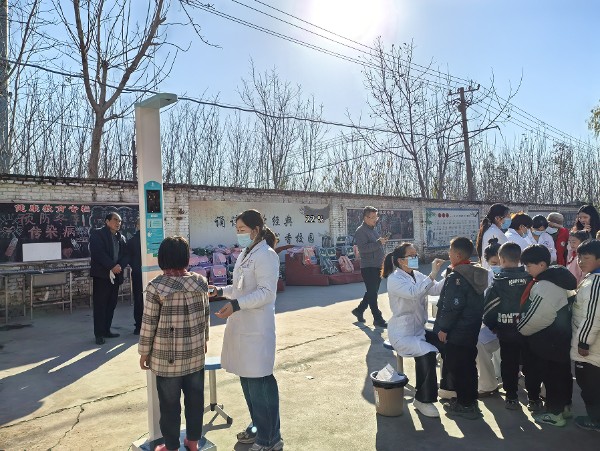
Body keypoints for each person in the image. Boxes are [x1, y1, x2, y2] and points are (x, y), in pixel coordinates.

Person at [212, 209, 283, 451]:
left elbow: (266, 293)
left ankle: (270, 439)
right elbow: (240, 288)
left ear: (255, 230)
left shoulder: (267, 255)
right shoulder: (246, 253)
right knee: (248, 383)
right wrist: (220, 292)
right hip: (243, 327)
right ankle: (258, 429)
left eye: (242, 229)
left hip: (257, 329)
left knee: (260, 384)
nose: (239, 233)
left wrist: (236, 305)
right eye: (237, 229)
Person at [138, 236, 209, 451]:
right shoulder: (200, 282)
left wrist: (144, 352)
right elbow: (205, 316)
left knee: (169, 405)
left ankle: (171, 446)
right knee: (195, 400)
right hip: (195, 354)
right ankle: (193, 442)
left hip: (166, 358)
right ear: (186, 258)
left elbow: (149, 323)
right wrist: (204, 340)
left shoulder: (156, 287)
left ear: (162, 258)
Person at [382, 243, 446, 417]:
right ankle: (423, 399)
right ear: (401, 260)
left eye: (415, 254)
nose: (415, 257)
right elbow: (414, 293)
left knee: (447, 342)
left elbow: (434, 289)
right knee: (427, 352)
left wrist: (449, 274)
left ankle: (448, 387)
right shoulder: (395, 279)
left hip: (419, 331)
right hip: (402, 334)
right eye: (411, 255)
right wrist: (432, 274)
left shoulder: (416, 275)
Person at [517, 244, 577, 427]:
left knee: (552, 378)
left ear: (542, 264)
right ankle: (565, 408)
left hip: (548, 340)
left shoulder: (545, 287)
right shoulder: (560, 278)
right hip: (562, 338)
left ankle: (555, 414)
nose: (527, 269)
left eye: (529, 265)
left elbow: (537, 317)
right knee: (563, 374)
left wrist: (521, 328)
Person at [433, 237, 488, 419]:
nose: (448, 254)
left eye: (450, 251)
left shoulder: (457, 277)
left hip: (458, 331)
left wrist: (443, 328)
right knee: (469, 365)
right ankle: (470, 400)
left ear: (457, 255)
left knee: (459, 367)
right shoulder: (474, 273)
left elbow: (452, 306)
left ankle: (465, 405)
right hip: (471, 329)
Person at [483, 242, 533, 410]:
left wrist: (494, 326)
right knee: (530, 362)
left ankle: (511, 396)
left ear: (501, 259)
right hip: (529, 330)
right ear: (520, 259)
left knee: (509, 363)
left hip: (506, 331)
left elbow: (488, 309)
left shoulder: (498, 282)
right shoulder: (530, 279)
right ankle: (533, 397)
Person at [572, 239, 600, 431]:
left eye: (586, 258)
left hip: (590, 349)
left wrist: (583, 342)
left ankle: (595, 420)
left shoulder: (595, 282)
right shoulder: (591, 278)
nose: (581, 261)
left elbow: (592, 316)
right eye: (579, 257)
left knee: (589, 385)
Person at [89, 212, 128, 345]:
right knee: (100, 305)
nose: (118, 223)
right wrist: (111, 266)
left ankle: (107, 330)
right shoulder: (97, 234)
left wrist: (119, 266)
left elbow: (125, 255)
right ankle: (99, 334)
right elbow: (98, 253)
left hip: (115, 276)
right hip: (102, 276)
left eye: (120, 221)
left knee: (111, 304)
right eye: (115, 220)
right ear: (107, 221)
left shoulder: (121, 237)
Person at [351, 206, 388, 328]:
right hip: (369, 267)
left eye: (376, 217)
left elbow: (376, 245)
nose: (375, 220)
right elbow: (363, 249)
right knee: (373, 293)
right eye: (372, 217)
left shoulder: (373, 230)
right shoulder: (360, 231)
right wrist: (378, 243)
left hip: (378, 265)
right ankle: (377, 318)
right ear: (365, 218)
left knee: (372, 292)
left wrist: (381, 242)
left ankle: (359, 310)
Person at [476, 240, 502, 397]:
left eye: (500, 262)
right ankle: (489, 383)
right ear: (486, 262)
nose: (498, 266)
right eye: (494, 263)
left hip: (510, 325)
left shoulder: (518, 276)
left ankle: (497, 378)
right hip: (491, 325)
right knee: (479, 343)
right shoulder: (483, 277)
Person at [475, 203, 510, 270]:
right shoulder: (496, 233)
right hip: (495, 271)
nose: (509, 219)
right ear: (497, 218)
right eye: (507, 216)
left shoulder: (490, 230)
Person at [127, 217, 143, 335]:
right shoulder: (133, 241)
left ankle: (139, 326)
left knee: (138, 299)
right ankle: (142, 325)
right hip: (146, 273)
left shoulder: (132, 240)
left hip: (137, 273)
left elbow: (129, 259)